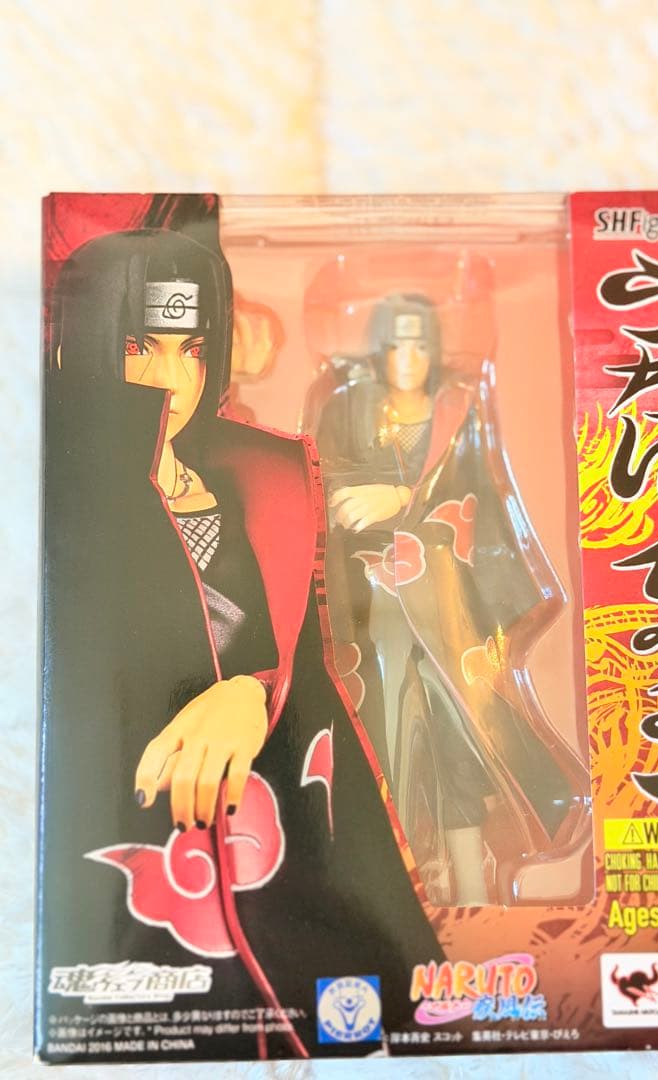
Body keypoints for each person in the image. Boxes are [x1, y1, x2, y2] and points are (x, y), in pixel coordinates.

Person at [39, 231, 444, 1062]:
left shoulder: (261, 479)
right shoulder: (59, 496)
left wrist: (257, 690)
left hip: (282, 837)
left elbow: (311, 677)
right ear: (84, 348)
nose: (172, 378)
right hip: (136, 857)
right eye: (139, 348)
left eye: (191, 349)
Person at [307, 293, 589, 907]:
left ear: (434, 350)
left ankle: (474, 891)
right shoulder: (347, 408)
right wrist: (371, 500)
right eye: (396, 344)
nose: (408, 357)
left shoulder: (457, 411)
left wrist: (404, 499)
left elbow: (479, 494)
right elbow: (320, 482)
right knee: (381, 743)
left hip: (445, 603)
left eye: (420, 344)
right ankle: (392, 885)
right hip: (372, 607)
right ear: (379, 351)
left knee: (461, 741)